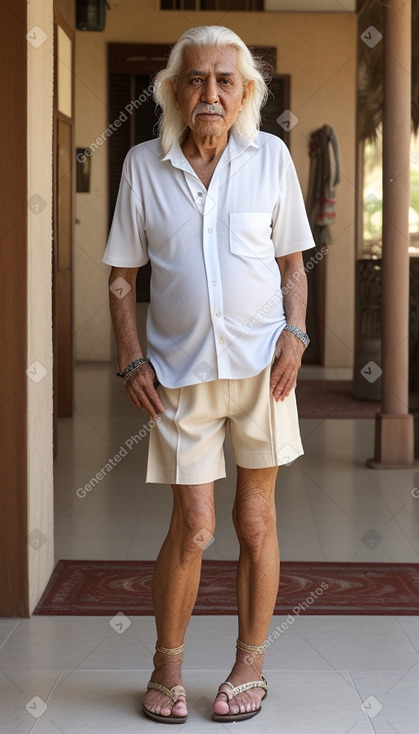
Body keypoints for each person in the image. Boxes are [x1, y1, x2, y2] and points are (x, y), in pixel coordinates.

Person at [103, 25, 315, 724]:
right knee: (193, 526)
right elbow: (120, 279)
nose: (210, 93)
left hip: (263, 371)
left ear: (246, 91)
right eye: (195, 79)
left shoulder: (270, 158)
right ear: (171, 90)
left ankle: (249, 661)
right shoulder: (142, 164)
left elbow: (291, 267)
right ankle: (167, 665)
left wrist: (296, 333)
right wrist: (130, 355)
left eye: (225, 80)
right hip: (178, 376)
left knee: (255, 521)